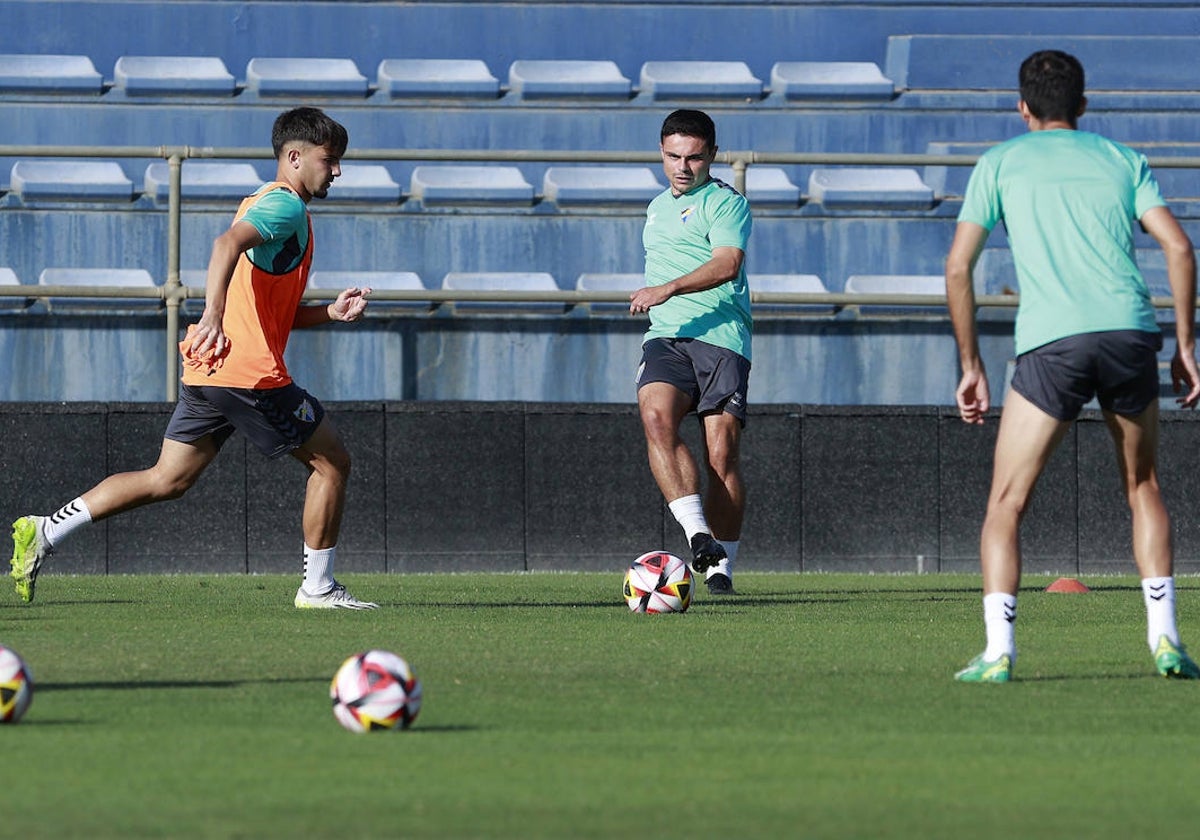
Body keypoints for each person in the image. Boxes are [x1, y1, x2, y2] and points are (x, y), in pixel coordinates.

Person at [10, 107, 378, 610]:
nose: (336, 171)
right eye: (329, 159)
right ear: (294, 157)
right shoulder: (286, 207)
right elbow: (224, 244)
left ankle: (45, 531)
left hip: (211, 371)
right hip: (247, 375)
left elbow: (272, 314)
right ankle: (317, 588)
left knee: (168, 479)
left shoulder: (265, 205)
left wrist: (329, 314)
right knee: (333, 464)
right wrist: (213, 313)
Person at [946, 50, 1200, 681]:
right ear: (1084, 107)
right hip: (1129, 334)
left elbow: (957, 268)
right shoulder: (1121, 159)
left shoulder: (1000, 161)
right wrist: (1187, 344)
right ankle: (1166, 641)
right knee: (1142, 487)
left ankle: (1000, 652)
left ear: (1022, 107)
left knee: (1006, 501)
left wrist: (971, 363)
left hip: (1052, 343)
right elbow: (1179, 246)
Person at [630, 109, 753, 596]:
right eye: (673, 156)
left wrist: (668, 288)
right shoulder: (656, 206)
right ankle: (698, 535)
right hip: (666, 336)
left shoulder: (726, 203)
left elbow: (727, 264)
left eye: (694, 157)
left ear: (712, 156)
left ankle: (722, 565)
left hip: (722, 337)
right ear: (661, 153)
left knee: (721, 456)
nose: (683, 167)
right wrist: (666, 300)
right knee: (656, 416)